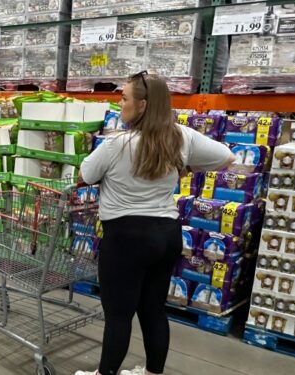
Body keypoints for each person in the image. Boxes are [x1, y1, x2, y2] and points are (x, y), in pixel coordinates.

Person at [75, 72, 235, 375]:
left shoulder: (116, 144)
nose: (119, 104)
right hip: (167, 235)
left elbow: (87, 174)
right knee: (153, 310)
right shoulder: (180, 136)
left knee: (119, 316)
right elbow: (226, 157)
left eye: (124, 98)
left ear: (143, 105)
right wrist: (186, 165)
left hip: (126, 237)